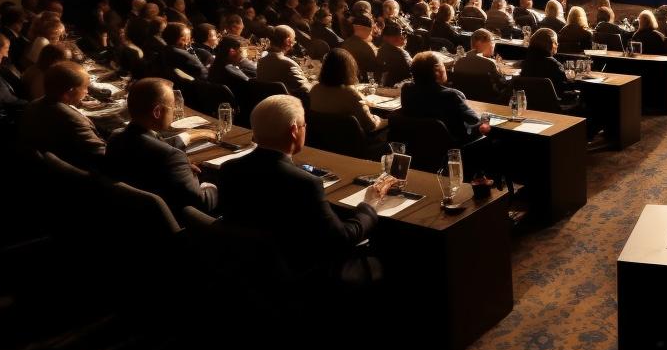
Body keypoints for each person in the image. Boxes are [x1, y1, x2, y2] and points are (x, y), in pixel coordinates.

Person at [218, 95, 392, 279]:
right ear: (294, 131)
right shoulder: (305, 184)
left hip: (247, 270)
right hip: (302, 275)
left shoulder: (229, 169)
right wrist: (369, 206)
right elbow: (340, 241)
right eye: (304, 125)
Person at [105, 77, 219, 215]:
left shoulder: (115, 137)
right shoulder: (170, 156)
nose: (175, 111)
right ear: (157, 112)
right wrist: (210, 183)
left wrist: (180, 168)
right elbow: (203, 203)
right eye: (172, 106)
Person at [19, 62, 103, 171]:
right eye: (85, 87)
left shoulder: (33, 105)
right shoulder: (74, 121)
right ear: (70, 91)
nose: (87, 92)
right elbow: (102, 156)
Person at [400, 52, 483, 145]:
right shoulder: (451, 96)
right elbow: (475, 121)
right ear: (438, 72)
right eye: (443, 66)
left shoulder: (406, 90)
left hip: (418, 145)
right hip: (454, 147)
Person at [309, 48, 381, 134]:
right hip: (353, 144)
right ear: (350, 69)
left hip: (322, 141)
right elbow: (370, 126)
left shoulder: (314, 90)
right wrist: (381, 120)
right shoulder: (350, 94)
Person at [451, 28, 509, 100]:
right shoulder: (489, 64)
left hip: (465, 99)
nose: (494, 45)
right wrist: (503, 73)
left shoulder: (459, 61)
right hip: (489, 102)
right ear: (480, 43)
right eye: (492, 41)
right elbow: (501, 85)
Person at [258, 25, 312, 95]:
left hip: (266, 101)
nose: (294, 43)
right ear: (288, 41)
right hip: (286, 103)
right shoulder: (288, 64)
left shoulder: (261, 60)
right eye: (294, 40)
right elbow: (306, 90)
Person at [339, 14, 380, 80]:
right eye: (371, 29)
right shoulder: (366, 48)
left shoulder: (344, 43)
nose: (372, 32)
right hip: (361, 82)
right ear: (368, 30)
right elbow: (372, 75)